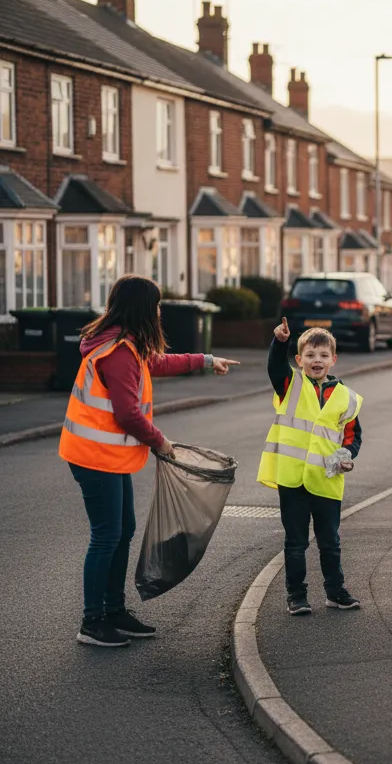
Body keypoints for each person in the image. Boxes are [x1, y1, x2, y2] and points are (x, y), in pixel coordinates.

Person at [60, 274, 240, 648]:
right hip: (94, 457)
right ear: (143, 308)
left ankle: (114, 611)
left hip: (107, 456)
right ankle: (92, 622)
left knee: (121, 531)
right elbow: (127, 413)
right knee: (106, 535)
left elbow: (156, 363)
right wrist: (160, 442)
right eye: (156, 305)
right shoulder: (118, 352)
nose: (159, 311)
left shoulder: (125, 344)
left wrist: (206, 360)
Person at [259, 318, 364, 615]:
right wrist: (279, 342)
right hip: (292, 480)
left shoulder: (347, 398)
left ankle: (335, 591)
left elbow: (353, 435)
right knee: (295, 542)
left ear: (333, 359)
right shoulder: (289, 384)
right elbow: (274, 368)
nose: (316, 360)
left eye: (323, 355)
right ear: (299, 359)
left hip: (327, 481)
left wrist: (347, 455)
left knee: (330, 542)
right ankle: (297, 595)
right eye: (310, 355)